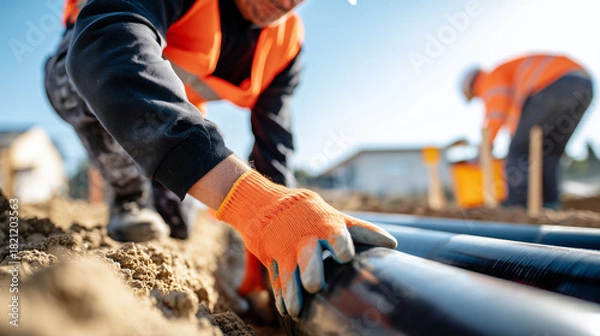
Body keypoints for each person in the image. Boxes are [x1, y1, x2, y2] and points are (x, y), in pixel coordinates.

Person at [46, 0, 396, 318]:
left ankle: (154, 196)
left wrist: (271, 239)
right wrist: (251, 204)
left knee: (177, 228)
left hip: (174, 118)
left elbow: (273, 148)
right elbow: (107, 43)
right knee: (92, 75)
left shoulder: (285, 46)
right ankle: (129, 195)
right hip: (88, 55)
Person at [461, 54, 593, 209]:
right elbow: (517, 119)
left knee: (518, 151)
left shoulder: (488, 79)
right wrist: (514, 136)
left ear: (472, 86)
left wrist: (487, 145)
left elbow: (496, 111)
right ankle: (550, 205)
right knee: (549, 152)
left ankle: (518, 206)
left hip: (552, 83)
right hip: (583, 86)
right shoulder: (508, 78)